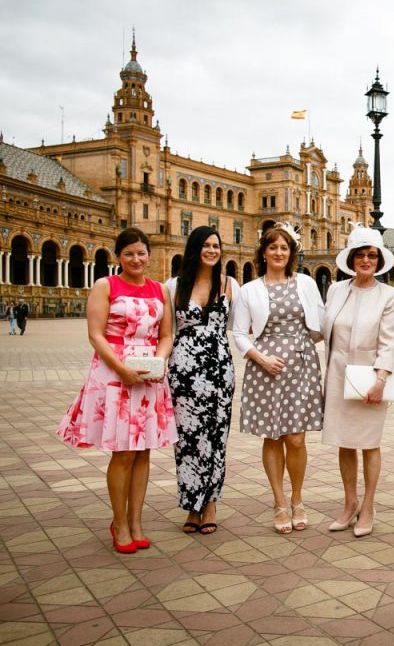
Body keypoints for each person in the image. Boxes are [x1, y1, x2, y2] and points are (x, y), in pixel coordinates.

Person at [57, 228, 177, 553]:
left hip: (149, 374)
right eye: (128, 254)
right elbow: (95, 334)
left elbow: (166, 334)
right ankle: (119, 522)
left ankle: (137, 520)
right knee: (122, 452)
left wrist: (159, 361)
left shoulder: (160, 289)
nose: (136, 259)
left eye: (141, 253)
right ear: (118, 257)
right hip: (114, 371)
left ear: (149, 255)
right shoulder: (105, 285)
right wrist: (122, 368)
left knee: (143, 451)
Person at [232, 224, 324, 534]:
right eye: (273, 248)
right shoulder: (249, 290)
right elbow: (238, 332)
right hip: (265, 365)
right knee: (272, 435)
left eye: (284, 248)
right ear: (264, 252)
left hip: (300, 364)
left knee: (296, 437)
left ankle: (298, 498)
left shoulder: (307, 284)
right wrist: (260, 358)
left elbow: (321, 321)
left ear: (291, 252)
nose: (279, 253)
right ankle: (279, 501)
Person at [321, 224, 394, 537]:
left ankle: (368, 504)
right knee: (344, 442)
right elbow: (323, 329)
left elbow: (388, 340)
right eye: (360, 255)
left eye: (371, 256)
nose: (365, 261)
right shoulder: (336, 290)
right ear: (351, 259)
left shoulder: (388, 295)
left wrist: (380, 379)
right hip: (339, 373)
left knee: (369, 443)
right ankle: (349, 502)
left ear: (379, 261)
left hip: (370, 377)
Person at [165, 226, 239, 535]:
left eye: (216, 245)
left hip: (220, 369)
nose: (212, 250)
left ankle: (210, 504)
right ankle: (191, 505)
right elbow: (167, 332)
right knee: (187, 439)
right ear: (194, 249)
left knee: (216, 437)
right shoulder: (173, 286)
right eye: (206, 245)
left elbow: (236, 327)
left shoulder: (230, 284)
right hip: (184, 371)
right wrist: (160, 365)